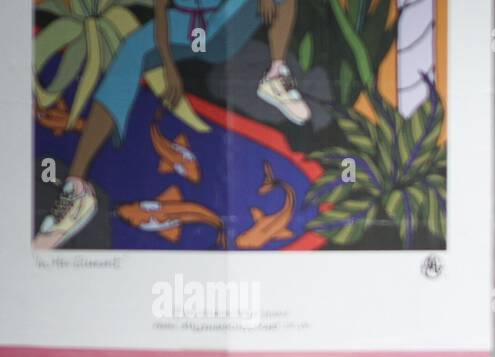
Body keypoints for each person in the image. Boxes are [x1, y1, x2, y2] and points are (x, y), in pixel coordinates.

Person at [35, 0, 311, 249]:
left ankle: (275, 75)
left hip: (225, 18)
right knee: (128, 58)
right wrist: (168, 65)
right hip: (183, 25)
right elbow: (160, 8)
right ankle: (77, 190)